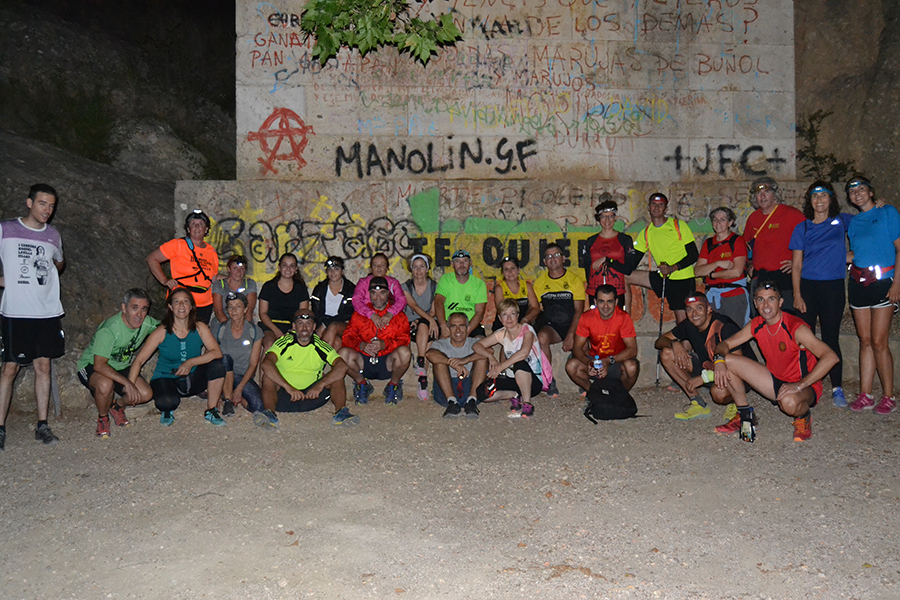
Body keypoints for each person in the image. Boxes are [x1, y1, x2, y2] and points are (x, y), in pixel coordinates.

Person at [711, 282, 839, 442]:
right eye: (761, 299)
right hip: (774, 380)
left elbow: (831, 357)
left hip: (803, 385)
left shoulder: (795, 327)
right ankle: (745, 416)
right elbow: (725, 344)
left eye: (771, 299)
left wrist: (799, 385)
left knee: (789, 403)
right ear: (755, 303)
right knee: (727, 359)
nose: (766, 305)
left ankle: (803, 417)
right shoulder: (756, 324)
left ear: (780, 302)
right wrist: (718, 360)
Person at [0, 184, 66, 448]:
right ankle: (0, 428)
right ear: (29, 203)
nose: (47, 210)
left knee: (43, 366)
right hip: (16, 311)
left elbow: (59, 262)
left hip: (47, 311)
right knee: (10, 368)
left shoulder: (53, 235)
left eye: (51, 206)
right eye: (42, 203)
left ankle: (42, 425)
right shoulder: (6, 229)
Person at [789, 181, 853, 407]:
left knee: (830, 337)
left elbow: (868, 226)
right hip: (808, 287)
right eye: (815, 196)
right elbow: (796, 265)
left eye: (824, 195)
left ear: (831, 199)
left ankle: (836, 387)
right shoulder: (802, 228)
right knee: (805, 338)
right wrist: (797, 294)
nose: (819, 200)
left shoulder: (842, 221)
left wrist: (853, 255)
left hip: (833, 287)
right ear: (810, 201)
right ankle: (805, 383)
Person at [128, 287, 227, 427]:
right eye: (176, 301)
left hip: (192, 377)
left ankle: (211, 410)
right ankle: (168, 408)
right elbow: (139, 360)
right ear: (170, 306)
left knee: (218, 365)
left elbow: (216, 352)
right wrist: (130, 387)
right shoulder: (161, 331)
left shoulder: (200, 327)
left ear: (191, 306)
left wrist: (190, 362)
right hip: (167, 377)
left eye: (185, 301)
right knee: (167, 403)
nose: (181, 305)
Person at [844, 176, 900, 413]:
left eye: (861, 189)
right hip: (858, 283)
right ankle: (865, 394)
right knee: (865, 340)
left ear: (871, 192)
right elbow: (856, 254)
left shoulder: (888, 212)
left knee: (879, 341)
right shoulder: (853, 223)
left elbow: (899, 249)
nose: (857, 193)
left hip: (883, 283)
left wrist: (897, 285)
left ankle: (889, 396)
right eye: (852, 191)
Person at [654, 293, 754, 423]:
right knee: (667, 354)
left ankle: (736, 402)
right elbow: (659, 341)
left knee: (718, 393)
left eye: (699, 308)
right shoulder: (689, 324)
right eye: (689, 309)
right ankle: (698, 403)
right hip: (709, 368)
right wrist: (674, 343)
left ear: (708, 309)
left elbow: (737, 365)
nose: (694, 314)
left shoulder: (724, 326)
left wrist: (703, 378)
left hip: (738, 376)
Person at [76, 288, 158, 438]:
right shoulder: (110, 329)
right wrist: (127, 383)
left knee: (145, 394)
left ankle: (117, 405)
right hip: (92, 365)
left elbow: (168, 327)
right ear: (124, 308)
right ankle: (103, 417)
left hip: (121, 366)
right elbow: (99, 365)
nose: (139, 314)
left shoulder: (147, 323)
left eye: (144, 309)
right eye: (134, 308)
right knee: (105, 385)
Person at [258, 310, 358, 428]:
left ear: (314, 327)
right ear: (294, 326)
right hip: (285, 395)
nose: (304, 328)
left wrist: (320, 385)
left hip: (313, 396)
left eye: (308, 323)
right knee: (268, 377)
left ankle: (341, 413)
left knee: (337, 376)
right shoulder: (284, 342)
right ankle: (270, 413)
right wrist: (288, 387)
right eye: (300, 323)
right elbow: (266, 364)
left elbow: (342, 366)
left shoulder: (320, 344)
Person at [340, 276, 411, 405]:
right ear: (369, 294)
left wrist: (385, 344)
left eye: (382, 293)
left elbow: (405, 339)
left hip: (387, 361)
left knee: (405, 352)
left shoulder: (398, 315)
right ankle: (362, 384)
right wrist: (361, 345)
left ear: (388, 294)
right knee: (342, 354)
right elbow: (347, 337)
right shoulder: (360, 314)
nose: (378, 297)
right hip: (364, 361)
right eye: (374, 293)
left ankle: (393, 385)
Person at [628, 192, 698, 324]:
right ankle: (625, 319)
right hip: (663, 277)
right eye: (654, 204)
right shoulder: (646, 232)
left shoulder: (678, 225)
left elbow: (693, 255)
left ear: (666, 209)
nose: (656, 207)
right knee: (625, 276)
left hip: (682, 279)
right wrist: (611, 261)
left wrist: (672, 268)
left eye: (660, 205)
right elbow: (631, 263)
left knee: (682, 323)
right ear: (648, 207)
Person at [473, 299, 545, 418]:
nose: (509, 318)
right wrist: (490, 357)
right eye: (504, 315)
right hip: (512, 379)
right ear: (500, 318)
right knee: (483, 392)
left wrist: (501, 367)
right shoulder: (501, 333)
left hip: (532, 382)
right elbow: (477, 345)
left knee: (519, 363)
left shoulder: (527, 330)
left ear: (517, 316)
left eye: (512, 314)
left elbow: (524, 352)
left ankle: (527, 404)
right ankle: (514, 395)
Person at [741, 177, 805, 312]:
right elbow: (745, 246)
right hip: (761, 278)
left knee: (787, 317)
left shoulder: (792, 215)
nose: (762, 196)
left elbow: (812, 242)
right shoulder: (753, 218)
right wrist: (749, 264)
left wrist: (799, 262)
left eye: (767, 192)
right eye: (759, 193)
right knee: (762, 318)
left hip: (785, 277)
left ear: (775, 194)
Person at [147, 209, 220, 324]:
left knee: (199, 333)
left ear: (206, 229)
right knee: (180, 332)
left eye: (201, 224)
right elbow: (152, 258)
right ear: (188, 229)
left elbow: (213, 278)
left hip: (204, 303)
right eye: (193, 224)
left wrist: (233, 278)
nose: (197, 227)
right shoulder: (178, 245)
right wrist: (164, 280)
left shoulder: (211, 252)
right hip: (182, 301)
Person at [566, 285, 639, 394]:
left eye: (609, 301)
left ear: (616, 302)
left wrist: (609, 360)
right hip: (595, 361)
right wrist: (589, 363)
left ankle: (620, 395)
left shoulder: (623, 317)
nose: (605, 306)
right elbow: (577, 347)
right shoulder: (586, 317)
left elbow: (633, 349)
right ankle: (594, 394)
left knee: (631, 367)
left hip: (616, 361)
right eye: (601, 301)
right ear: (595, 302)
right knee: (571, 366)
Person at [533, 243, 585, 396]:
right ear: (544, 262)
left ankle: (584, 379)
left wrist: (570, 335)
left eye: (556, 255)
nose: (553, 259)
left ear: (563, 258)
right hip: (552, 327)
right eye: (549, 256)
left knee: (584, 341)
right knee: (542, 337)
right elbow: (535, 309)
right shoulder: (539, 283)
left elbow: (579, 311)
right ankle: (548, 380)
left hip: (572, 323)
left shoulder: (574, 280)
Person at [210, 292, 264, 418]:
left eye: (238, 306)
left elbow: (253, 364)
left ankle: (232, 396)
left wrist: (239, 389)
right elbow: (210, 355)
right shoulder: (220, 330)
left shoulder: (254, 332)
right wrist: (214, 388)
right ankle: (227, 399)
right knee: (225, 359)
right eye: (230, 307)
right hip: (222, 375)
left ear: (245, 309)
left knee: (258, 405)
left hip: (242, 376)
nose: (234, 310)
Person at [426, 312, 488, 418]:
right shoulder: (441, 344)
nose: (458, 330)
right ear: (448, 329)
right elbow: (429, 354)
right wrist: (452, 363)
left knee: (482, 357)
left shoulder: (475, 343)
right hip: (446, 389)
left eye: (462, 326)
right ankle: (452, 402)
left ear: (468, 328)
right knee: (439, 361)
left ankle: (471, 401)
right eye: (453, 326)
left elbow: (489, 351)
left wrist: (465, 360)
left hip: (470, 386)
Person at [695, 206, 750, 327]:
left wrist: (712, 275)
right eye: (715, 220)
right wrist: (717, 263)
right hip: (712, 296)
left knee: (734, 331)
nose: (718, 223)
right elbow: (698, 271)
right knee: (713, 332)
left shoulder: (737, 241)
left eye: (722, 219)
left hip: (733, 295)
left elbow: (736, 272)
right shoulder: (708, 243)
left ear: (730, 223)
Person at [580, 199, 638, 310]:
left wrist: (608, 260)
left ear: (615, 218)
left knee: (616, 319)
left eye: (610, 216)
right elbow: (587, 267)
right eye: (603, 217)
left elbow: (628, 269)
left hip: (617, 290)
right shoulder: (590, 241)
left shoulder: (625, 240)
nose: (607, 220)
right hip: (595, 290)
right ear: (599, 219)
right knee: (596, 319)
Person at [402, 254, 438, 400]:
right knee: (425, 326)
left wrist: (427, 319)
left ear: (427, 269)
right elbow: (414, 306)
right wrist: (426, 320)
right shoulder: (405, 287)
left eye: (422, 267)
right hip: (411, 324)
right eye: (415, 267)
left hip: (428, 323)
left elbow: (434, 310)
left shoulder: (435, 286)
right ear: (411, 269)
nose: (418, 270)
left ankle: (421, 365)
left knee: (427, 328)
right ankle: (423, 378)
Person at [258, 253, 310, 351]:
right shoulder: (269, 286)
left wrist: (292, 331)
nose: (288, 269)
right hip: (270, 326)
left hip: (293, 328)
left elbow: (302, 313)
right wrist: (277, 332)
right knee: (269, 344)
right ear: (279, 267)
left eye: (292, 266)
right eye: (284, 265)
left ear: (296, 269)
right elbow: (262, 313)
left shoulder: (301, 288)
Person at [434, 249, 488, 339]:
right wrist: (443, 326)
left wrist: (467, 330)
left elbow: (479, 312)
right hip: (449, 323)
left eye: (465, 261)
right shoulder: (446, 279)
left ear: (470, 263)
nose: (461, 265)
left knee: (482, 343)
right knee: (440, 344)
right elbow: (438, 303)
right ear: (452, 264)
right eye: (457, 261)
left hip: (470, 324)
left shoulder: (479, 284)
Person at [310, 256, 355, 351]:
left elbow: (348, 314)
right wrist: (323, 324)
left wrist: (326, 324)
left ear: (342, 271)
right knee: (337, 342)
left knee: (333, 326)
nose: (333, 272)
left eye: (336, 269)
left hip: (344, 326)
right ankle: (330, 360)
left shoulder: (350, 289)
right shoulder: (320, 289)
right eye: (329, 269)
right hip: (323, 326)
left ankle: (319, 357)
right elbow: (316, 313)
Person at [352, 253, 407, 329]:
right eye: (375, 265)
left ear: (387, 268)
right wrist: (371, 315)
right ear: (371, 268)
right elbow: (356, 300)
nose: (379, 268)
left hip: (388, 319)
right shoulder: (363, 282)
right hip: (366, 319)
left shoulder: (393, 283)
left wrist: (390, 313)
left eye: (382, 265)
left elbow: (401, 300)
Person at [491, 256, 540, 331]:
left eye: (512, 268)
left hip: (524, 322)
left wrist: (525, 320)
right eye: (506, 269)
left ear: (518, 270)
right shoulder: (500, 288)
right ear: (503, 273)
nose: (510, 272)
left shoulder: (526, 286)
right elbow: (502, 311)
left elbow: (536, 308)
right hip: (506, 324)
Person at [211, 255, 257, 324]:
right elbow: (218, 311)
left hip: (243, 321)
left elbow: (249, 311)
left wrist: (244, 327)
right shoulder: (219, 284)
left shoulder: (250, 284)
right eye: (235, 268)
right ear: (229, 269)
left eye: (242, 269)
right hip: (222, 320)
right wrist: (228, 327)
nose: (238, 272)